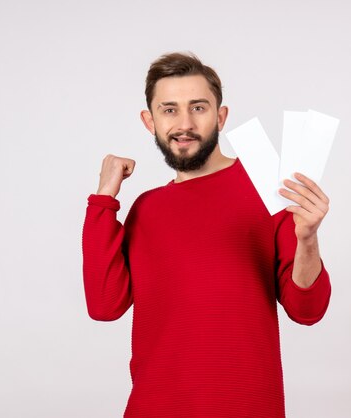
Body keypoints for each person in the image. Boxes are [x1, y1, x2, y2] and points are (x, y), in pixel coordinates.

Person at [82, 52, 331, 418]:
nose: (184, 123)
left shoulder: (269, 188)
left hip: (247, 408)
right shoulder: (146, 208)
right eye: (169, 110)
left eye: (198, 108)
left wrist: (308, 239)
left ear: (221, 116)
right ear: (149, 121)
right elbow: (105, 306)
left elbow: (307, 310)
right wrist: (103, 199)